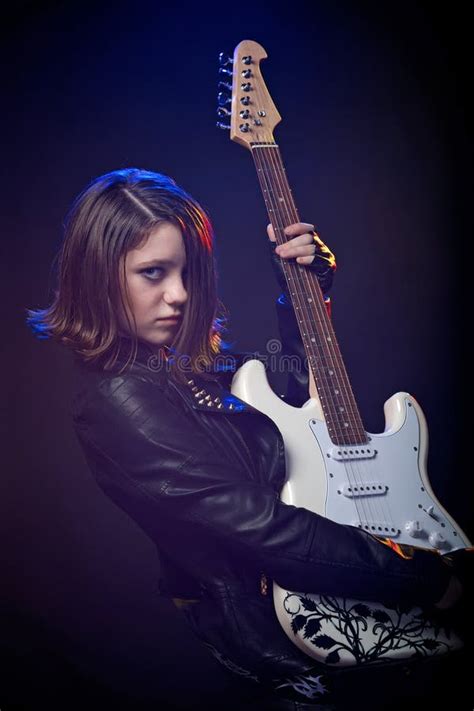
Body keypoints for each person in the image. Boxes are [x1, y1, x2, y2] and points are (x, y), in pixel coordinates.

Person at [27, 168, 469, 710]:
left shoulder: (182, 364)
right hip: (291, 645)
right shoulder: (119, 403)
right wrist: (423, 575)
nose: (180, 294)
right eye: (153, 273)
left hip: (341, 607)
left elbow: (300, 421)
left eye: (189, 271)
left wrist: (304, 295)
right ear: (99, 278)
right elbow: (263, 526)